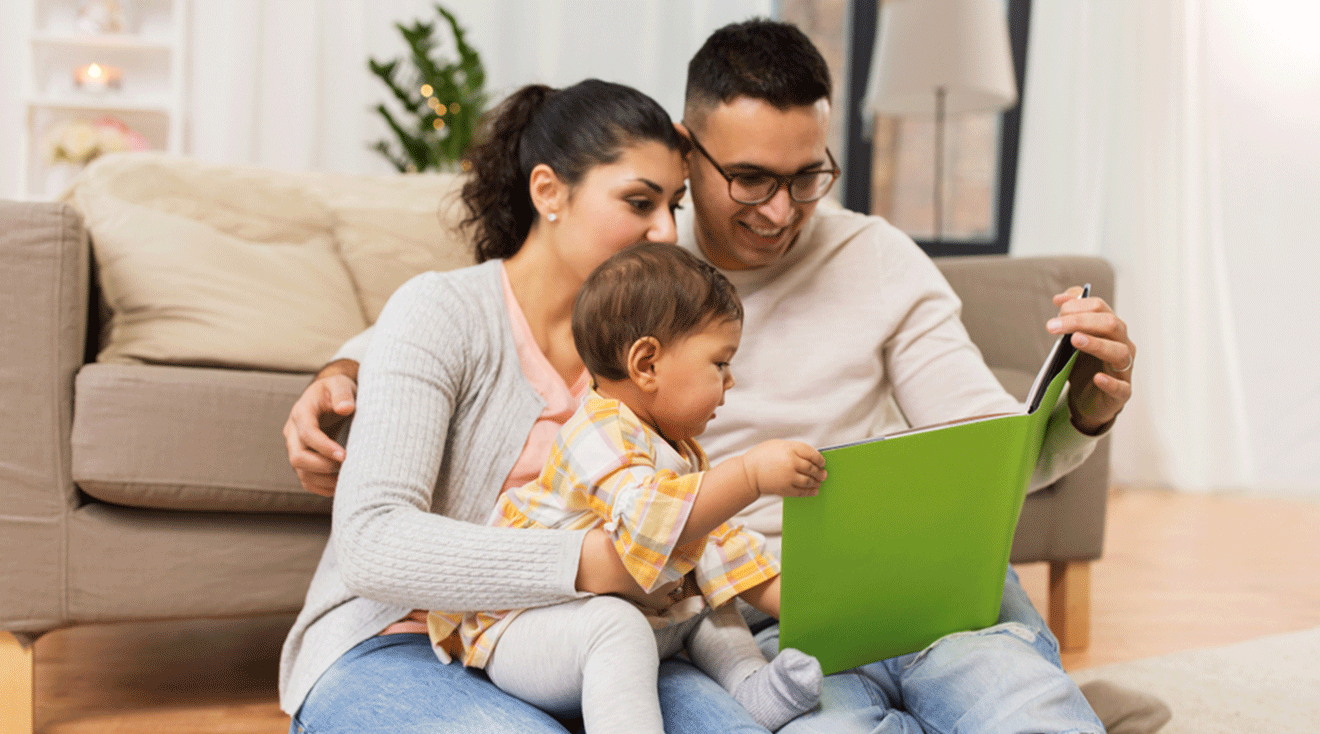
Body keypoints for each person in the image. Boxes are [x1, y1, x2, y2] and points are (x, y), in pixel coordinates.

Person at [285, 20, 1142, 734]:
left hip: (758, 599)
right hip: (656, 608)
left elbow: (986, 453)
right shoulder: (631, 275)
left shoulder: (822, 268)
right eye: (750, 180)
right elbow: (465, 315)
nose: (779, 210)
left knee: (981, 685)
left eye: (808, 177)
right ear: (692, 155)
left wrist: (1083, 413)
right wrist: (345, 367)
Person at [277, 79, 771, 734]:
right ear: (548, 192)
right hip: (401, 640)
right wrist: (592, 565)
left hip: (592, 638)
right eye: (639, 202)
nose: (667, 230)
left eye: (673, 204)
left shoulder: (651, 358)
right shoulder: (445, 312)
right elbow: (372, 542)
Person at [430, 241, 827, 733]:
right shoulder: (596, 432)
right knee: (618, 628)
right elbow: (651, 523)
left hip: (627, 618)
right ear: (646, 364)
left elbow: (715, 546)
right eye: (719, 363)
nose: (730, 382)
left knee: (708, 600)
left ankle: (749, 684)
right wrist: (748, 476)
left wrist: (811, 609)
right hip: (529, 629)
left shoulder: (675, 447)